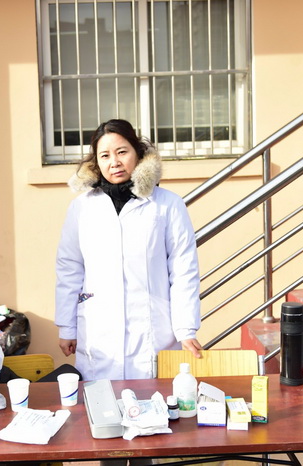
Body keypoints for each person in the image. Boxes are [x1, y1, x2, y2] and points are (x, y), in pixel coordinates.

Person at [55, 119, 202, 381]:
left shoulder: (167, 205)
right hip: (98, 328)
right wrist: (67, 326)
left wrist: (185, 328)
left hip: (152, 327)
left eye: (122, 152)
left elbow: (183, 269)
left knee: (152, 399)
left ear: (138, 153)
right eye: (105, 155)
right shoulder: (82, 207)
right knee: (100, 400)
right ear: (96, 161)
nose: (114, 162)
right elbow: (70, 267)